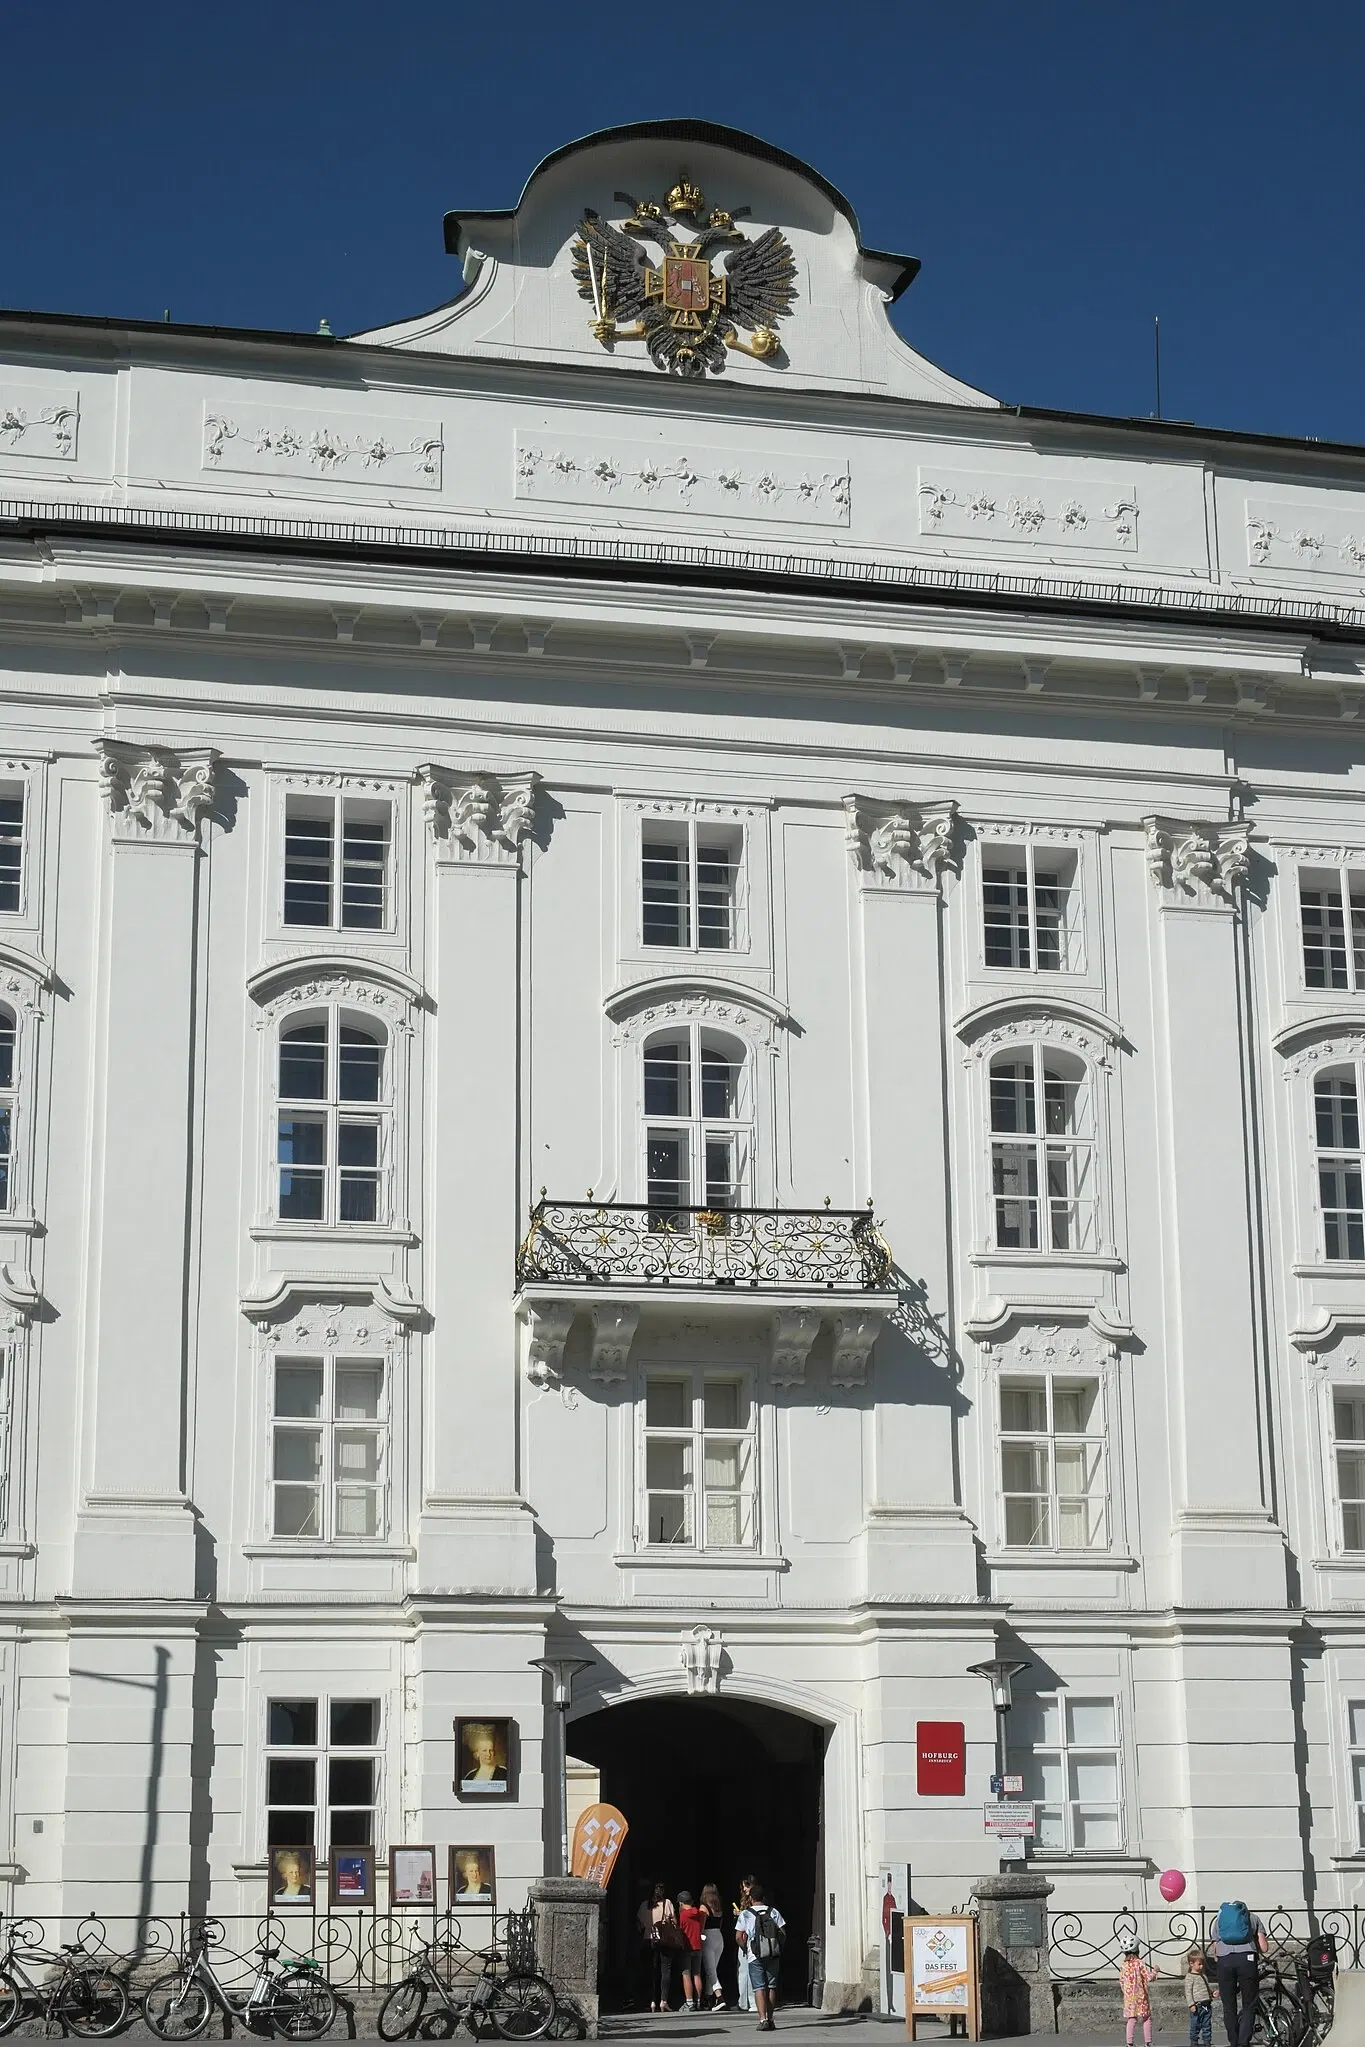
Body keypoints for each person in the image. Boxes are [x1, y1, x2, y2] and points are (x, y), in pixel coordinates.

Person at [1212, 1901, 1268, 2047]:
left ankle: (1233, 2042)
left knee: (1228, 2006)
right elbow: (1264, 1947)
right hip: (1247, 1961)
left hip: (1225, 1962)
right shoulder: (1253, 1918)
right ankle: (1244, 2042)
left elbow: (1216, 1951)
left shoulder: (1219, 1921)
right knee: (1249, 2004)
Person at [736, 1880, 785, 2032]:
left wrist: (745, 1948)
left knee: (758, 1987)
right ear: (763, 1897)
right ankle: (770, 2019)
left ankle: (762, 2019)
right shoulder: (774, 1912)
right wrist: (777, 1947)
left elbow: (738, 1936)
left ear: (751, 1898)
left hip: (754, 1955)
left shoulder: (745, 1914)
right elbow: (783, 1932)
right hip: (772, 1953)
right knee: (771, 1986)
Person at [638, 1882, 680, 2013]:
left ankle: (651, 2001)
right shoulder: (667, 1903)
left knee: (650, 1971)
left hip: (648, 1940)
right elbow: (674, 1922)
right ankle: (663, 2001)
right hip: (664, 1941)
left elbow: (639, 1923)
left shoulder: (644, 1905)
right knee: (665, 1970)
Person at [1119, 1937, 1159, 2047]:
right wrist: (1155, 1971)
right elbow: (1149, 1977)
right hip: (1141, 1997)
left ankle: (1129, 2043)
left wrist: (1126, 1993)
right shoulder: (1140, 1963)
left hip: (1129, 1998)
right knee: (1146, 2018)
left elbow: (1121, 1981)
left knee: (1131, 2019)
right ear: (1137, 1950)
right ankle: (1148, 2042)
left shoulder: (1123, 1965)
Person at [699, 1884, 726, 2010]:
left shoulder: (703, 1908)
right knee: (713, 1969)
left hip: (708, 1936)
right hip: (719, 1937)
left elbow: (701, 1926)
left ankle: (719, 1997)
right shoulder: (718, 1907)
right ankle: (708, 1998)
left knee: (710, 1971)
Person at [679, 1890, 705, 2010]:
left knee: (686, 1974)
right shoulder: (699, 1913)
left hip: (687, 1947)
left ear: (681, 1903)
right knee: (697, 1974)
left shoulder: (683, 1915)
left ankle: (689, 2002)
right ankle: (699, 2001)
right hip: (698, 1946)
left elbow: (680, 1930)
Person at [461, 1721, 508, 1788]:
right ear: (477, 1753)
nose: (488, 1754)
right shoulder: (470, 1776)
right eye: (484, 1751)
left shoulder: (503, 1773)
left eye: (490, 1750)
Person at [733, 1879, 756, 2013]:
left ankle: (749, 2002)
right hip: (745, 1939)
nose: (745, 1889)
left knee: (747, 1972)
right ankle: (744, 2001)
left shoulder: (754, 1901)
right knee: (743, 1971)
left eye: (747, 1886)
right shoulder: (746, 1901)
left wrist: (741, 1914)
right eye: (743, 1886)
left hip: (747, 1939)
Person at [1186, 1947, 1214, 2047]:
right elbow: (1188, 1992)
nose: (1201, 1966)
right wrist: (1191, 2004)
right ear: (1191, 1964)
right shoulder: (1190, 1977)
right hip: (1197, 2005)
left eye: (1202, 1964)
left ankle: (1207, 2041)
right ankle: (1194, 2041)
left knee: (1207, 2025)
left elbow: (1206, 1988)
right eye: (1199, 1964)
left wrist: (1211, 1994)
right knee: (1195, 2025)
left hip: (1207, 2004)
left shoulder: (1203, 1975)